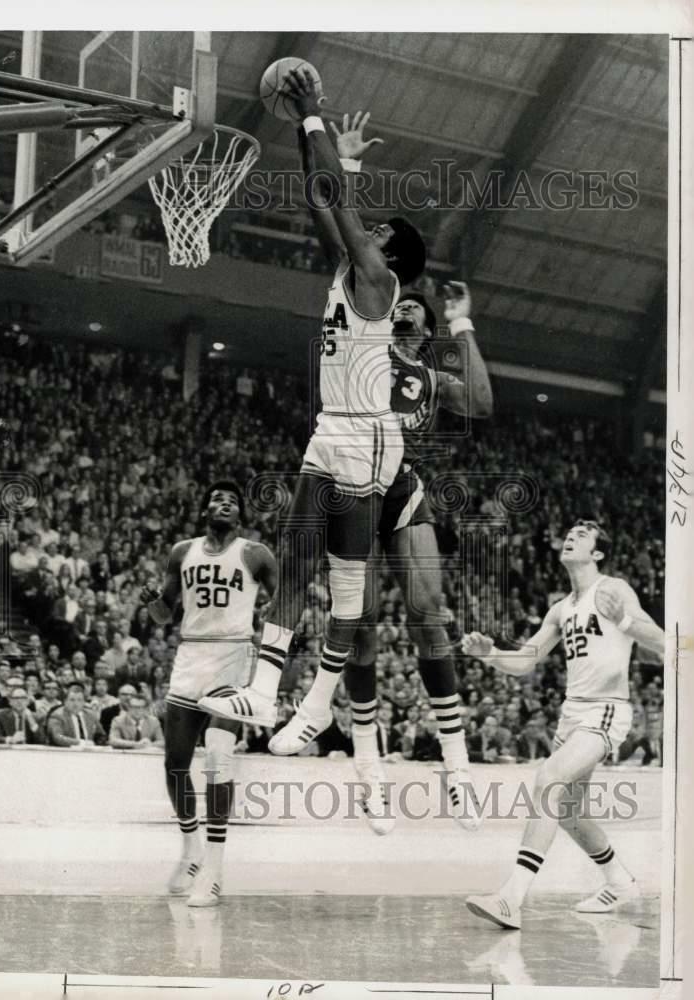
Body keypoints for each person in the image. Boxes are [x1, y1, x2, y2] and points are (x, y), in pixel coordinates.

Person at [201, 76, 426, 771]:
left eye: (380, 232)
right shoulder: (348, 271)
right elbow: (319, 196)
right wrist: (330, 150)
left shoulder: (383, 285)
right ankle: (265, 693)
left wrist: (313, 115)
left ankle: (322, 701)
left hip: (366, 436)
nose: (370, 229)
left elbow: (338, 198)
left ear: (390, 257)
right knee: (295, 559)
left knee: (350, 593)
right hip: (331, 426)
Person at [463, 520, 665, 928]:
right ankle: (619, 880)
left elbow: (660, 641)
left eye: (583, 534)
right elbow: (525, 662)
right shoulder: (561, 607)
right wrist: (491, 654)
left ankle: (511, 898)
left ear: (598, 553)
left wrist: (625, 622)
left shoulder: (613, 589)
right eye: (570, 532)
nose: (571, 536)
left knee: (549, 778)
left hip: (605, 709)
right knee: (569, 811)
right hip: (571, 714)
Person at [344, 284, 493, 830]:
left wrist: (461, 323)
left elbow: (481, 402)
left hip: (402, 489)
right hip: (353, 485)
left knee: (430, 615)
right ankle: (369, 766)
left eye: (416, 310)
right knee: (358, 625)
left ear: (425, 330)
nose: (405, 308)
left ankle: (458, 771)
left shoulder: (430, 377)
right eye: (399, 304)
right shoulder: (364, 346)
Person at [141, 482, 276, 908]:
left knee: (219, 754)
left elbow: (284, 599)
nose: (225, 503)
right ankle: (192, 851)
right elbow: (165, 614)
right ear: (205, 508)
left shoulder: (255, 554)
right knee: (175, 762)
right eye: (218, 498)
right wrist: (151, 603)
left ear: (240, 516)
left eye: (233, 501)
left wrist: (273, 619)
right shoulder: (183, 552)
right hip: (190, 655)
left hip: (234, 655)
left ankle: (214, 871)